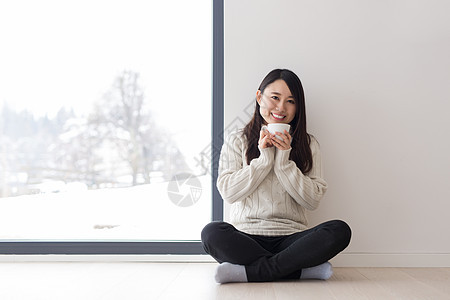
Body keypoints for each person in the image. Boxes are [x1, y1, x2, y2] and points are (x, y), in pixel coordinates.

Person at [201, 69, 352, 284]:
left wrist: (283, 161)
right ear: (259, 97)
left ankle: (250, 272)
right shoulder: (238, 140)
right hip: (247, 236)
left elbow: (313, 201)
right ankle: (298, 271)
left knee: (339, 230)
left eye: (291, 101)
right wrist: (263, 160)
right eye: (275, 98)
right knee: (212, 233)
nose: (281, 107)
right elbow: (228, 192)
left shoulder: (309, 144)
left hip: (292, 239)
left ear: (298, 107)